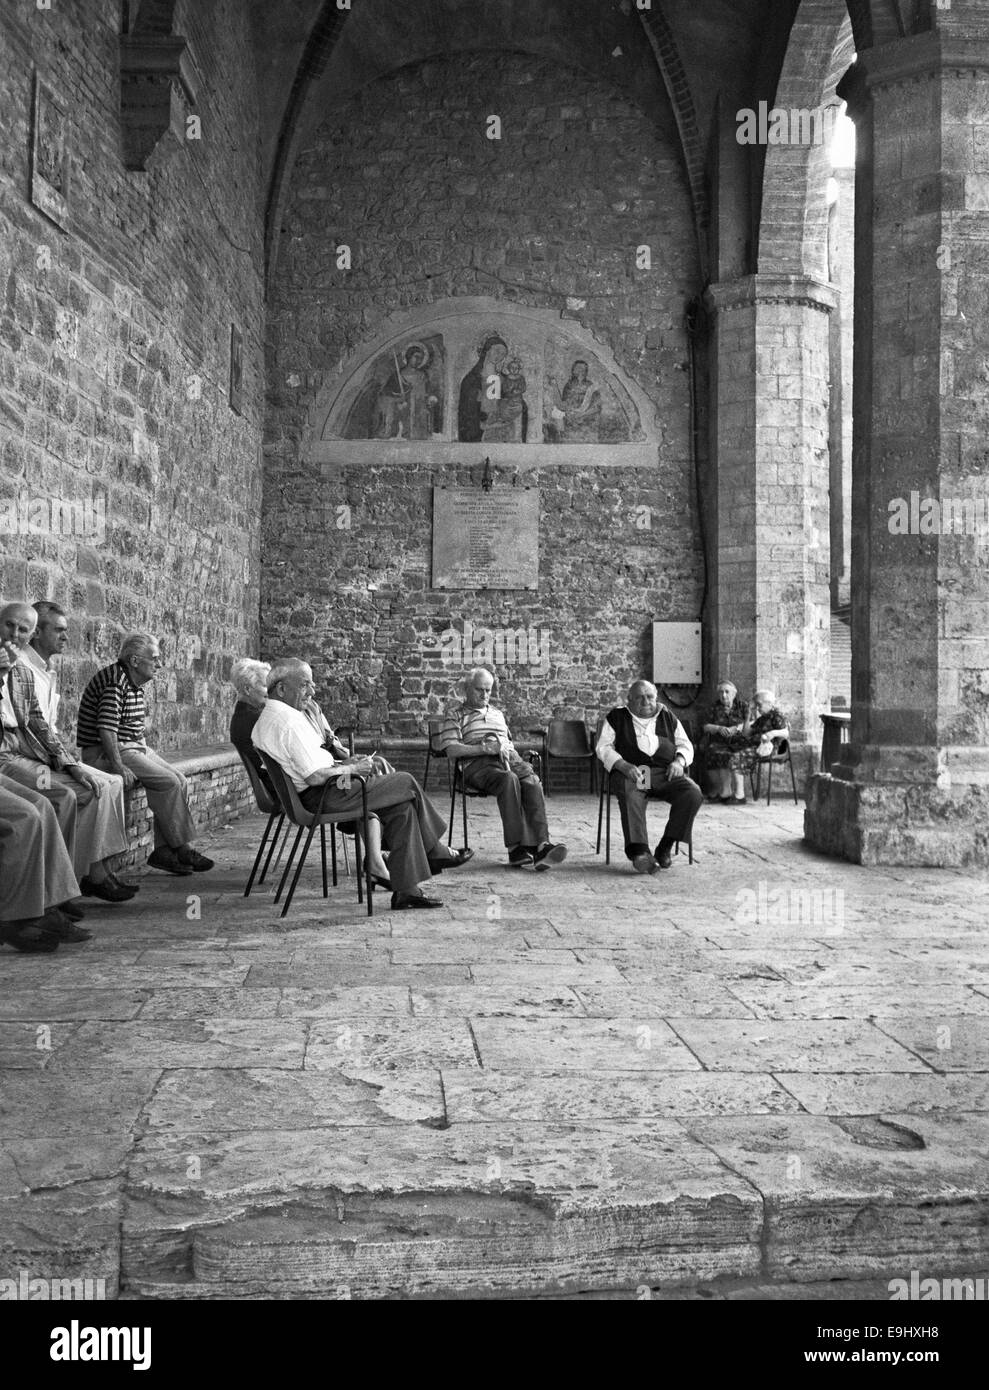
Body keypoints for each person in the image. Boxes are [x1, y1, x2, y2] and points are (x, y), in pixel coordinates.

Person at [251, 658, 472, 910]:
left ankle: (406, 891)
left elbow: (307, 765)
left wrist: (340, 763)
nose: (312, 692)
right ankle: (434, 850)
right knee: (406, 782)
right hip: (324, 795)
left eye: (311, 685)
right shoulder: (287, 722)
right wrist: (353, 768)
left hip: (325, 789)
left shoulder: (273, 717)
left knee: (402, 809)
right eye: (305, 685)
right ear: (281, 689)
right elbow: (313, 776)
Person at [0, 601, 136, 903]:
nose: (16, 634)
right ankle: (66, 887)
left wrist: (67, 761)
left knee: (106, 784)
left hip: (31, 750)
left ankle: (83, 876)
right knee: (70, 796)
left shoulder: (27, 669)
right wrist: (66, 761)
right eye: (9, 625)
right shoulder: (20, 666)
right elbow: (28, 728)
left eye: (23, 629)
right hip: (16, 754)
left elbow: (37, 720)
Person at [230, 657, 393, 886]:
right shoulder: (262, 718)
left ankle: (377, 849)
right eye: (266, 690)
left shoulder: (258, 715)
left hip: (299, 785)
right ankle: (380, 844)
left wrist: (341, 764)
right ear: (248, 689)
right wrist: (346, 767)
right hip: (297, 792)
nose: (270, 698)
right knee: (378, 779)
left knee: (375, 775)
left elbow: (309, 757)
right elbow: (309, 771)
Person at [77, 632, 214, 876]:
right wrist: (119, 767)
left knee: (180, 779)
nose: (160, 664)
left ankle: (163, 851)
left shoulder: (133, 682)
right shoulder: (115, 682)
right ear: (134, 661)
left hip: (132, 745)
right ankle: (183, 847)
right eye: (155, 658)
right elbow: (106, 730)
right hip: (109, 750)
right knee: (169, 782)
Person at [436, 668, 567, 870]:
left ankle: (542, 846)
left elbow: (509, 743)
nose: (485, 695)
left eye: (488, 690)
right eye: (479, 690)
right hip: (477, 765)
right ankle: (516, 849)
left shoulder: (497, 714)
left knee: (532, 781)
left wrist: (507, 751)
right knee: (508, 780)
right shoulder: (455, 714)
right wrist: (485, 748)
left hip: (507, 759)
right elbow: (451, 750)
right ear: (466, 689)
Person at [596, 679, 703, 873]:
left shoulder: (667, 716)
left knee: (692, 793)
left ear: (656, 697)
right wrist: (623, 765)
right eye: (639, 697)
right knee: (632, 793)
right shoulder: (617, 717)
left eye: (650, 696)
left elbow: (686, 745)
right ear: (629, 699)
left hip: (664, 772)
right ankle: (640, 853)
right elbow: (603, 747)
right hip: (635, 771)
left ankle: (665, 846)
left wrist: (679, 761)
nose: (646, 702)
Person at [0, 774, 90, 950]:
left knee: (43, 805)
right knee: (26, 816)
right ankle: (14, 918)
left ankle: (48, 905)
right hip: (16, 758)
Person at [725, 690, 790, 796]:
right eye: (757, 705)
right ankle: (727, 792)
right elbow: (746, 733)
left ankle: (739, 795)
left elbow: (786, 732)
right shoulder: (762, 718)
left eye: (759, 705)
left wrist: (772, 733)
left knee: (736, 757)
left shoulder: (777, 716)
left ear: (769, 703)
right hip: (752, 745)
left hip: (767, 749)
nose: (758, 708)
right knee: (726, 752)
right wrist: (748, 714)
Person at [697, 679, 749, 803]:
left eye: (727, 692)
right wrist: (718, 728)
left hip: (739, 741)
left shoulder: (743, 706)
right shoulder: (714, 707)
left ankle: (740, 794)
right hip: (719, 741)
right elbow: (705, 726)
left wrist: (737, 728)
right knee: (715, 752)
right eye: (721, 692)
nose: (724, 695)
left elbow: (751, 723)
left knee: (737, 754)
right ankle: (725, 791)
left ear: (734, 693)